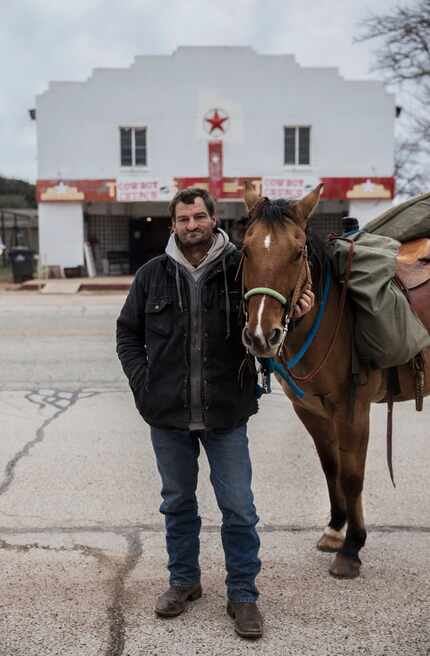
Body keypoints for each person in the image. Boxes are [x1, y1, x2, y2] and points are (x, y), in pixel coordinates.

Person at [116, 187, 314, 640]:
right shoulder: (152, 275)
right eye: (183, 219)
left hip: (226, 412)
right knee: (178, 505)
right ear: (172, 225)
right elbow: (127, 334)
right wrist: (143, 385)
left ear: (213, 219)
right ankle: (184, 582)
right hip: (167, 415)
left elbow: (267, 322)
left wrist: (298, 317)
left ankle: (243, 594)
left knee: (239, 509)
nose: (192, 225)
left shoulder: (239, 269)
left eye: (199, 217)